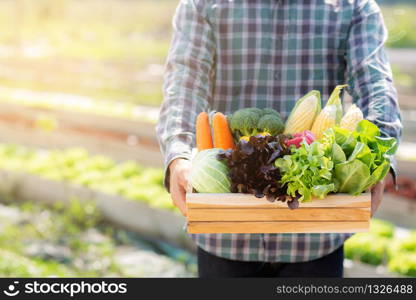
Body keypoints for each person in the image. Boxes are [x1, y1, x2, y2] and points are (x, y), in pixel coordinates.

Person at [156, 0, 402, 278]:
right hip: (225, 231)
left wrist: (378, 157)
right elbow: (184, 87)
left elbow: (376, 88)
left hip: (315, 232)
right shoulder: (202, 6)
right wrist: (178, 154)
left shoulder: (354, 7)